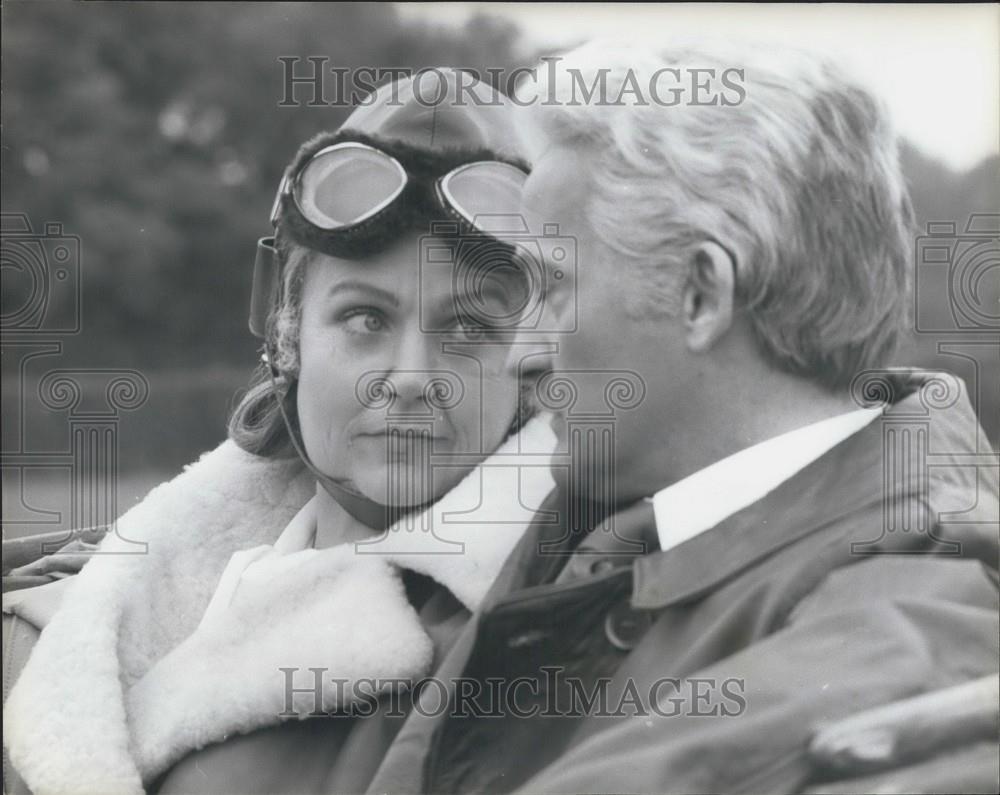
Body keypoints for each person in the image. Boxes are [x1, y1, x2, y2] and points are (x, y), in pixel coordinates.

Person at [356, 42, 999, 794]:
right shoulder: (608, 522)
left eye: (553, 285)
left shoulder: (923, 602)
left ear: (701, 294)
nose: (519, 355)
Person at [2, 70, 558, 795]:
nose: (413, 375)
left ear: (534, 357)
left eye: (468, 327)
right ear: (287, 330)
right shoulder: (72, 598)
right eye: (366, 319)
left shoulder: (552, 654)